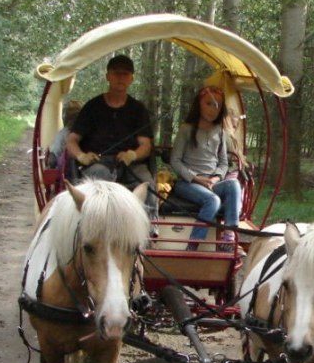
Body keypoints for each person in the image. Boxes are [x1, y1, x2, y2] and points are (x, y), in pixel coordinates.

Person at [66, 54, 159, 233]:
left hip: (130, 164)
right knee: (99, 179)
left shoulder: (138, 109)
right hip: (98, 163)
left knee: (147, 183)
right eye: (116, 73)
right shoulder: (92, 107)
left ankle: (148, 231)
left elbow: (145, 145)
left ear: (131, 78)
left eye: (125, 74)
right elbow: (71, 141)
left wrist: (132, 155)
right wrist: (82, 156)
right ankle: (94, 230)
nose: (120, 78)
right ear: (108, 76)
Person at [170, 86, 242, 252]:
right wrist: (196, 178)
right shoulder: (186, 129)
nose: (213, 109)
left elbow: (224, 163)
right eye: (209, 103)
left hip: (211, 182)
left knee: (234, 184)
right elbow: (175, 160)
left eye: (217, 105)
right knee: (213, 200)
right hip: (188, 183)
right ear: (199, 105)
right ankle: (193, 244)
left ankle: (229, 233)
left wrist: (216, 178)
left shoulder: (221, 132)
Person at [47, 100, 82, 182]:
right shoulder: (88, 133)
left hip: (67, 170)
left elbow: (53, 156)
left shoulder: (63, 134)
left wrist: (51, 165)